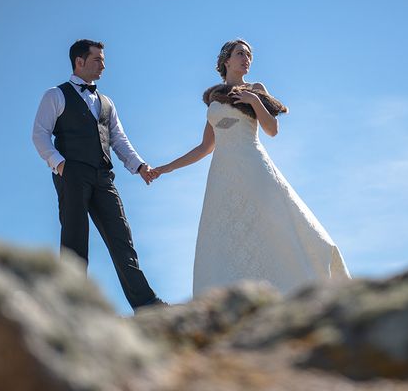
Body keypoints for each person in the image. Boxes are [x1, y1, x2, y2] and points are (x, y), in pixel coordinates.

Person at [153, 39, 350, 296]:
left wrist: (254, 100)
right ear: (226, 60)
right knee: (228, 233)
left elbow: (272, 130)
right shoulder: (214, 98)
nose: (246, 58)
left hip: (254, 166)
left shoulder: (256, 88)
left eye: (248, 55)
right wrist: (166, 168)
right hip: (222, 175)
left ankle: (300, 285)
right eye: (240, 54)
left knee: (276, 222)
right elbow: (204, 147)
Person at [32, 39, 165, 311]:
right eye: (97, 59)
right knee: (74, 240)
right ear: (79, 62)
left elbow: (118, 138)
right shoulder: (55, 95)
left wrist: (139, 166)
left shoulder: (107, 102)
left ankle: (147, 305)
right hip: (71, 174)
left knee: (121, 238)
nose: (103, 64)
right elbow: (40, 134)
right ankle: (73, 307)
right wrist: (60, 165)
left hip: (104, 177)